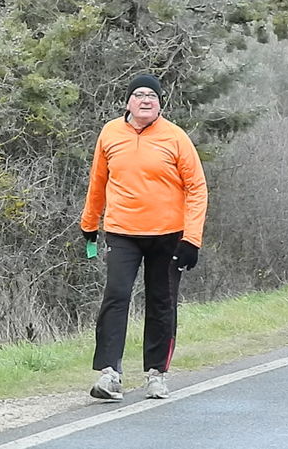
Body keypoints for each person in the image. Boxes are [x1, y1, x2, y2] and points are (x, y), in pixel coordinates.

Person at [80, 74, 207, 400]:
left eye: (152, 95)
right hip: (123, 232)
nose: (146, 100)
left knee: (161, 302)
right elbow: (98, 181)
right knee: (116, 297)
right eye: (139, 94)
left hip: (168, 235)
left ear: (160, 102)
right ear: (128, 102)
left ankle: (156, 374)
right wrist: (89, 223)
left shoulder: (175, 137)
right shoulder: (110, 133)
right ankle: (110, 375)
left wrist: (192, 239)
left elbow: (196, 188)